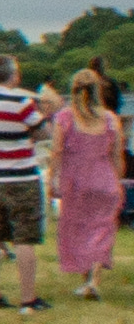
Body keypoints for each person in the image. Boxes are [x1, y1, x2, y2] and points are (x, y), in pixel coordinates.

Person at [0, 52, 50, 312]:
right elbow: (43, 132)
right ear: (12, 74)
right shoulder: (21, 101)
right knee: (24, 238)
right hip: (22, 176)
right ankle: (28, 298)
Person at [52, 65, 123, 301]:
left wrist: (53, 179)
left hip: (77, 183)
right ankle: (93, 280)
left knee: (79, 230)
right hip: (104, 180)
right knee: (101, 229)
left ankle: (87, 281)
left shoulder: (65, 117)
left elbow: (57, 152)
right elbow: (116, 156)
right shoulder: (110, 119)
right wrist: (118, 182)